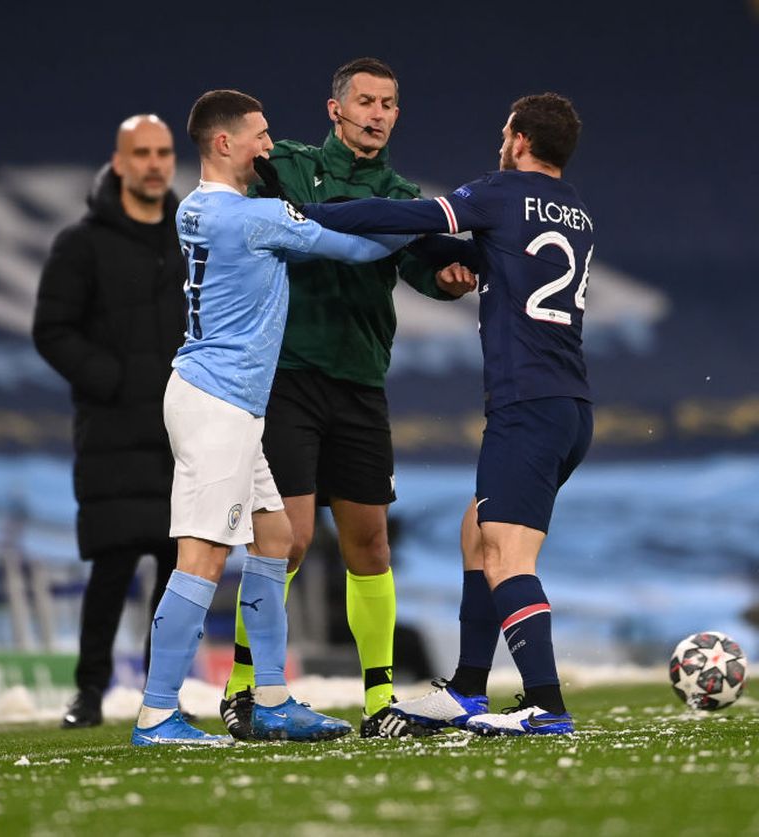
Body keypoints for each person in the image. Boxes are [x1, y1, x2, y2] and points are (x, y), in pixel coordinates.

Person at [131, 89, 417, 746]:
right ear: (224, 143)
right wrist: (438, 218)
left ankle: (273, 698)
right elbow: (360, 251)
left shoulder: (196, 208)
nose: (269, 146)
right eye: (259, 135)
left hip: (222, 398)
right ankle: (156, 714)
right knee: (201, 557)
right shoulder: (252, 219)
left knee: (276, 539)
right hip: (219, 405)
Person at [301, 92, 593, 736]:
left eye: (502, 132)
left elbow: (404, 213)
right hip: (570, 407)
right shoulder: (576, 213)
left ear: (518, 139)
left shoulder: (498, 191)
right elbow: (478, 258)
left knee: (507, 556)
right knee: (475, 531)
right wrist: (439, 257)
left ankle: (547, 703)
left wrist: (311, 214)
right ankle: (466, 688)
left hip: (527, 405)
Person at [220, 57, 477, 740]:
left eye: (388, 103)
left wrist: (451, 277)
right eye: (364, 100)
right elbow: (247, 199)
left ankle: (380, 702)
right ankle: (245, 688)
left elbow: (429, 272)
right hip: (288, 378)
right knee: (290, 537)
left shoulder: (403, 193)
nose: (376, 113)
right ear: (335, 109)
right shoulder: (291, 165)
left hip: (362, 384)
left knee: (371, 543)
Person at [33, 114, 186, 728]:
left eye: (163, 152)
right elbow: (52, 331)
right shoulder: (82, 243)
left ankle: (160, 696)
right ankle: (89, 692)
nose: (154, 163)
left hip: (183, 429)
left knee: (181, 570)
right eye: (141, 153)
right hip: (114, 431)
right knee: (114, 565)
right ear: (119, 163)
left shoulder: (192, 234)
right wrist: (112, 381)